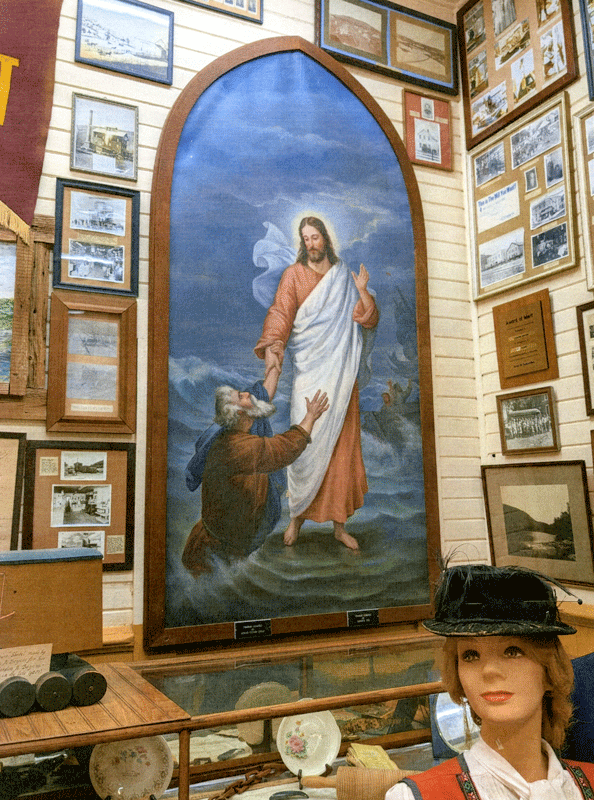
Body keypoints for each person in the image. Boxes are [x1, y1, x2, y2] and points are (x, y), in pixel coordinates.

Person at [385, 563, 594, 800]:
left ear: (549, 671)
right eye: (470, 655)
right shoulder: (415, 796)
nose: (489, 671)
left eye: (512, 651)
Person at [254, 216, 379, 551]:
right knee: (304, 444)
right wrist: (274, 345)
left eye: (315, 237)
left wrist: (363, 292)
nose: (310, 244)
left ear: (325, 238)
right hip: (309, 372)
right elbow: (280, 313)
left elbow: (368, 318)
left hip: (341, 376)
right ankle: (296, 517)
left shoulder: (344, 278)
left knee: (341, 450)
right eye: (305, 238)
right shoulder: (293, 275)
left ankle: (339, 527)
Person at [181, 376, 329, 573]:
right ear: (241, 413)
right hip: (214, 554)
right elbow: (283, 448)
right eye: (241, 396)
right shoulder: (239, 448)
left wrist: (273, 367)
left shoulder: (230, 435)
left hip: (221, 543)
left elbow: (261, 396)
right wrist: (310, 417)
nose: (247, 394)